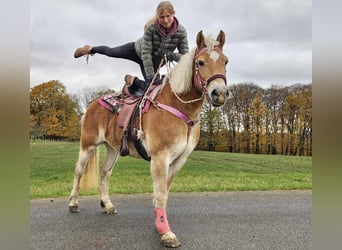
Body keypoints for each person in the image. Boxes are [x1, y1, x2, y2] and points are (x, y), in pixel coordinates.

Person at [74, 1, 189, 96]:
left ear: (174, 14)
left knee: (155, 90)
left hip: (154, 63)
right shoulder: (152, 29)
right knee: (111, 52)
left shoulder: (181, 32)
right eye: (161, 17)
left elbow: (186, 57)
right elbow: (146, 54)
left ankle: (133, 81)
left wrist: (173, 56)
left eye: (168, 16)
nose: (165, 20)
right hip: (136, 51)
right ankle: (91, 49)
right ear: (157, 17)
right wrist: (150, 77)